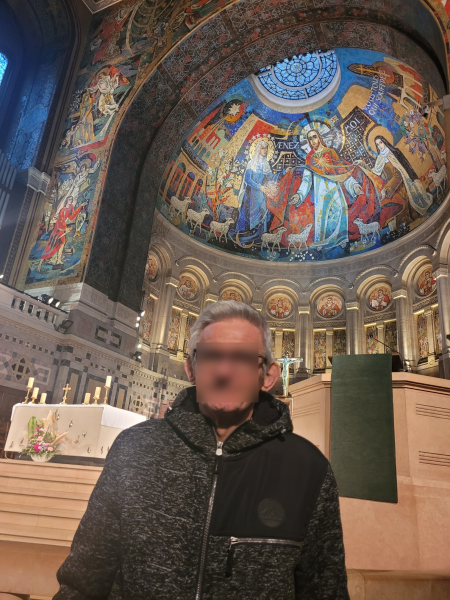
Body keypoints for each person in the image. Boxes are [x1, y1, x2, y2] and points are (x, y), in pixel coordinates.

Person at [54, 301, 350, 599]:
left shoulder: (308, 470)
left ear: (268, 376)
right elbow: (83, 582)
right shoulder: (134, 450)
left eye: (243, 358)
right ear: (191, 369)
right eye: (210, 356)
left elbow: (326, 592)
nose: (224, 371)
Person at [371, 135, 432, 222]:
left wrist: (414, 178)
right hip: (393, 187)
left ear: (385, 142)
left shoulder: (395, 152)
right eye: (377, 144)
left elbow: (406, 166)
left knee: (413, 200)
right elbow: (375, 173)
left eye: (381, 142)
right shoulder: (380, 160)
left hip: (404, 181)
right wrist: (362, 164)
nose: (379, 146)